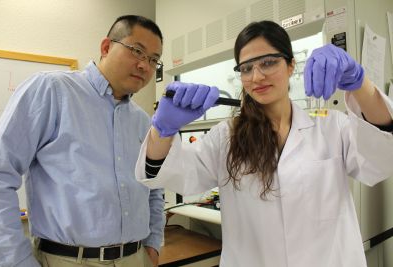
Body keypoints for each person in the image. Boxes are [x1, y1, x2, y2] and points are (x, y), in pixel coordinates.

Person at [135, 20, 393, 267]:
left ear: (291, 65)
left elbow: (381, 161)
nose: (256, 77)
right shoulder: (226, 136)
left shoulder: (331, 127)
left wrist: (361, 84)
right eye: (246, 68)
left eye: (268, 63)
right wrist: (163, 130)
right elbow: (171, 175)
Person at [0, 15, 164, 267]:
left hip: (136, 258)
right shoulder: (51, 90)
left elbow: (154, 187)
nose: (144, 66)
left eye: (153, 59)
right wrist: (16, 262)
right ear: (106, 47)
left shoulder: (142, 121)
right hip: (69, 260)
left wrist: (153, 245)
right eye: (137, 51)